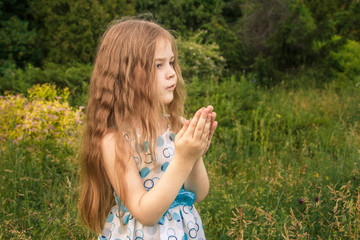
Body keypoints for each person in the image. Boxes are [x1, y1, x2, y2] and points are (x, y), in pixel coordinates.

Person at [79, 18, 218, 239]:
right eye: (158, 65)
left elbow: (198, 193)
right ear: (125, 75)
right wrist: (183, 158)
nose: (171, 72)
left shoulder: (176, 124)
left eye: (171, 62)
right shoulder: (115, 140)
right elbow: (146, 213)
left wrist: (195, 154)